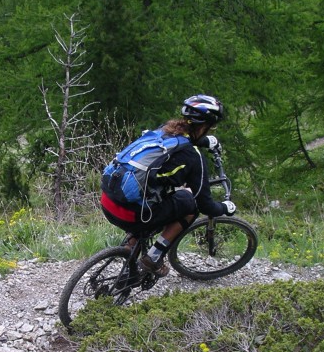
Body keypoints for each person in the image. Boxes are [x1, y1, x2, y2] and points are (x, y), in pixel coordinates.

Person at [100, 94, 236, 276]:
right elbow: (206, 206)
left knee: (154, 196)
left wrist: (206, 141)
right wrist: (225, 207)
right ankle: (153, 257)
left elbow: (185, 139)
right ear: (205, 126)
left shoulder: (163, 131)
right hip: (131, 215)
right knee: (190, 205)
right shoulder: (194, 158)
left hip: (108, 201)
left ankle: (130, 246)